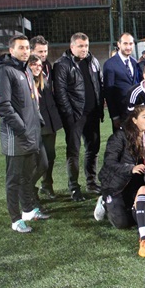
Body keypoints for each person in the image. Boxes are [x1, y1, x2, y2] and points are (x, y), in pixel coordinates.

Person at [0, 35, 49, 233]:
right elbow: (2, 104)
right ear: (11, 50)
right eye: (21, 48)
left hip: (31, 133)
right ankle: (15, 220)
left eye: (27, 48)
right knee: (14, 179)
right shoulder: (4, 71)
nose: (25, 51)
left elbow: (32, 101)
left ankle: (28, 210)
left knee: (27, 176)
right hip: (16, 136)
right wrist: (21, 128)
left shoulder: (24, 70)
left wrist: (38, 121)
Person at [53, 32, 104, 201]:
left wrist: (99, 109)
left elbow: (99, 85)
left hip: (93, 114)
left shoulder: (93, 61)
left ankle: (91, 182)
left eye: (86, 45)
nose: (84, 49)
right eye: (80, 46)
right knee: (73, 151)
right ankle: (74, 187)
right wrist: (70, 114)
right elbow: (60, 92)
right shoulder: (62, 64)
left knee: (93, 149)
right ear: (72, 46)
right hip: (75, 116)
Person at [94, 105, 145, 228]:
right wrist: (131, 168)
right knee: (122, 223)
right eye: (144, 117)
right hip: (116, 185)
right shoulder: (119, 136)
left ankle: (128, 205)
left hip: (137, 183)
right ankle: (105, 201)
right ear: (134, 120)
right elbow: (109, 162)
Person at [29, 36, 62, 199]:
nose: (43, 54)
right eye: (40, 51)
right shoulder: (26, 70)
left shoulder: (47, 66)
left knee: (50, 156)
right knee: (38, 160)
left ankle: (46, 185)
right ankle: (29, 189)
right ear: (31, 51)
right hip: (35, 122)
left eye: (45, 51)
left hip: (49, 120)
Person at [103, 32, 142, 130]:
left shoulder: (134, 62)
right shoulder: (110, 64)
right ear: (119, 44)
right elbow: (108, 92)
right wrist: (114, 116)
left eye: (131, 44)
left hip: (136, 112)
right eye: (125, 43)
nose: (128, 47)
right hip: (121, 113)